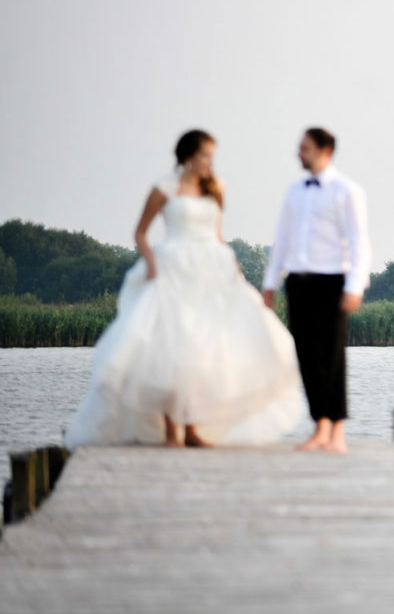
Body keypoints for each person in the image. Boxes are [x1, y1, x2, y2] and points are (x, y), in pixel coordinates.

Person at [65, 129, 305, 450]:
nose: (210, 162)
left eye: (212, 156)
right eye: (206, 154)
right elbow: (140, 233)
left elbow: (218, 235)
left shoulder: (216, 188)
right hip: (173, 269)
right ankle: (170, 432)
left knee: (202, 350)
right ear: (189, 155)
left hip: (211, 269)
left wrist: (234, 271)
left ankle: (192, 430)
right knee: (170, 349)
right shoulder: (164, 188)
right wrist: (151, 264)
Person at [262, 127, 371, 454]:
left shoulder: (347, 191)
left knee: (332, 354)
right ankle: (320, 425)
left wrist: (355, 285)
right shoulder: (294, 191)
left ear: (325, 151)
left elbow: (359, 241)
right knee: (306, 355)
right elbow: (281, 239)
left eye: (305, 148)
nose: (299, 154)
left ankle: (336, 429)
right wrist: (270, 282)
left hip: (332, 280)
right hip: (298, 280)